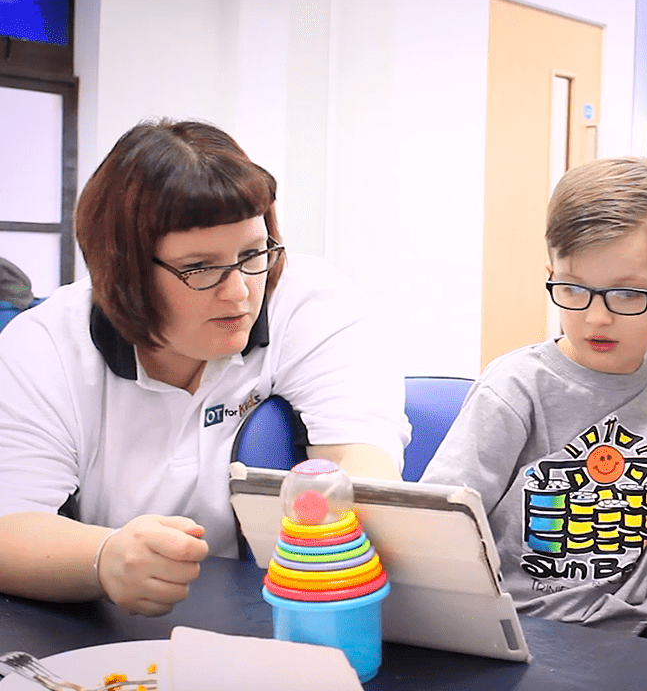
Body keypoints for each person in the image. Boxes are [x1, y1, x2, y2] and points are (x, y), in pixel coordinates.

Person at [0, 119, 410, 617]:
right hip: (107, 624)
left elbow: (363, 466)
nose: (239, 292)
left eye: (252, 253)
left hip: (278, 609)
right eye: (200, 267)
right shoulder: (44, 347)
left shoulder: (309, 303)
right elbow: (9, 523)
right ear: (122, 268)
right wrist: (103, 558)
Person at [421, 157, 647, 643]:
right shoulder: (516, 388)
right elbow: (436, 525)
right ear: (552, 273)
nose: (596, 318)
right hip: (523, 625)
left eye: (627, 294)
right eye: (573, 289)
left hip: (633, 625)